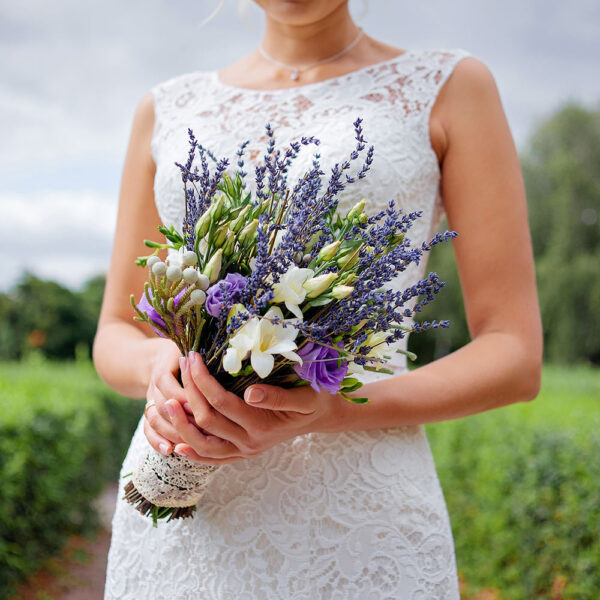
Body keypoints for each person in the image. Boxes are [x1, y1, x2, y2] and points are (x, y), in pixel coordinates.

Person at [94, 1, 543, 598]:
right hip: (185, 507)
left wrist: (334, 409)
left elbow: (513, 353)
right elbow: (116, 332)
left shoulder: (451, 87)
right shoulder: (167, 108)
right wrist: (163, 366)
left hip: (360, 517)